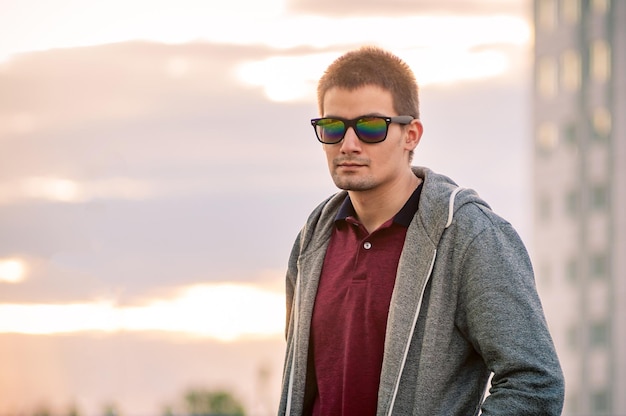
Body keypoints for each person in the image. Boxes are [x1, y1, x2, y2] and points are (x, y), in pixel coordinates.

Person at [278, 46, 564, 416]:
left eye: (369, 127)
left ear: (410, 134)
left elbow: (535, 384)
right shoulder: (312, 241)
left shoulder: (470, 236)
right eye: (333, 127)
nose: (348, 145)